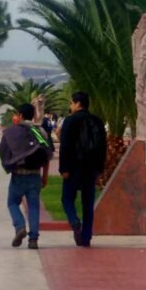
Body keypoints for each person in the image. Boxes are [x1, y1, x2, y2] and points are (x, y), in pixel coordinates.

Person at [0, 103, 52, 250]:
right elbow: (47, 155)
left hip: (18, 176)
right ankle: (33, 239)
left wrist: (10, 165)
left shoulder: (12, 132)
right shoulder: (41, 131)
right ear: (33, 115)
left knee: (12, 203)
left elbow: (3, 151)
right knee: (34, 206)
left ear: (20, 115)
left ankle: (20, 226)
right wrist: (45, 176)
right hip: (35, 175)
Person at [59, 92, 107, 248]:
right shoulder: (97, 121)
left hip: (73, 167)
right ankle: (86, 237)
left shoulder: (70, 121)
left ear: (78, 103)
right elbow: (102, 146)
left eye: (71, 103)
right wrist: (100, 168)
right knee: (88, 203)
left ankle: (74, 221)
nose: (70, 106)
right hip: (91, 168)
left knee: (67, 198)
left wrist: (63, 168)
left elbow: (65, 146)